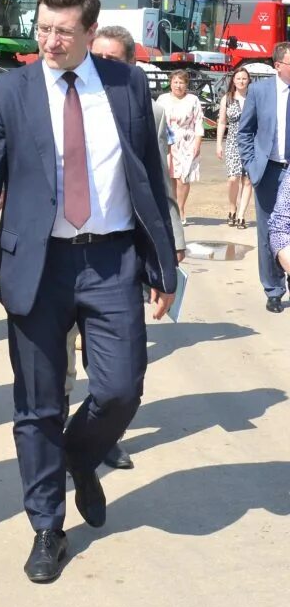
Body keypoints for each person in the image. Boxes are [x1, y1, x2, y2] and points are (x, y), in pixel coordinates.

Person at [0, 0, 176, 584]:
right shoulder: (7, 93)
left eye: (63, 32)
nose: (49, 42)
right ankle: (47, 527)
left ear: (88, 31)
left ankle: (79, 455)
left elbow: (148, 178)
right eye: (43, 29)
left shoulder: (127, 84)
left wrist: (164, 263)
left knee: (121, 388)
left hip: (111, 262)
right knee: (38, 405)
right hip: (37, 265)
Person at [81, 24, 185, 471]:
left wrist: (170, 243)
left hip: (115, 253)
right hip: (57, 256)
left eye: (113, 61)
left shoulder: (146, 106)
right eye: (96, 57)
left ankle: (101, 438)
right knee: (61, 364)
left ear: (130, 67)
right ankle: (62, 442)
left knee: (116, 371)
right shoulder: (68, 98)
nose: (102, 67)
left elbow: (155, 182)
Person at [236, 42, 290, 313]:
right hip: (268, 169)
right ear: (278, 66)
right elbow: (245, 132)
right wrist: (250, 162)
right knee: (269, 230)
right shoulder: (259, 91)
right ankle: (274, 289)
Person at [157, 70, 205, 225]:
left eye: (181, 82)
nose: (178, 85)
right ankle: (171, 210)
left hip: (187, 141)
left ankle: (181, 208)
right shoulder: (162, 99)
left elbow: (198, 122)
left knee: (183, 177)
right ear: (170, 83)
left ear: (186, 84)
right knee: (170, 176)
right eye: (175, 82)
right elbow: (156, 119)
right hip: (167, 141)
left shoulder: (193, 100)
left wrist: (198, 143)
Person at [216, 66, 253, 229]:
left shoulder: (254, 97)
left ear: (249, 80)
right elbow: (222, 122)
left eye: (244, 78)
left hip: (252, 143)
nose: (241, 81)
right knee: (233, 179)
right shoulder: (228, 98)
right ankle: (232, 207)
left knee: (248, 180)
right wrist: (218, 144)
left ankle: (241, 215)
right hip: (232, 141)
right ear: (233, 80)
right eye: (238, 78)